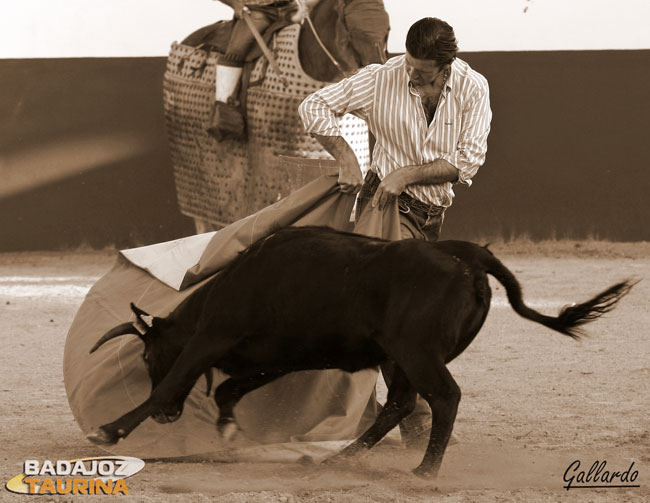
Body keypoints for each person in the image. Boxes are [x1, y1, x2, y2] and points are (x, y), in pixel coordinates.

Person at [298, 16, 492, 447]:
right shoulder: (381, 77)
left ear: (447, 67)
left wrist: (406, 173)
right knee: (396, 311)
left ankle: (396, 408)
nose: (411, 75)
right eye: (409, 64)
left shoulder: (473, 87)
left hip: (431, 213)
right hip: (383, 208)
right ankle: (418, 417)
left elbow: (466, 163)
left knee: (404, 313)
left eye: (422, 73)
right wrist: (347, 158)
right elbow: (312, 106)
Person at [208, 0, 320, 140]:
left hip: (289, 9)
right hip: (257, 11)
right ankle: (223, 111)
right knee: (235, 53)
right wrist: (235, 4)